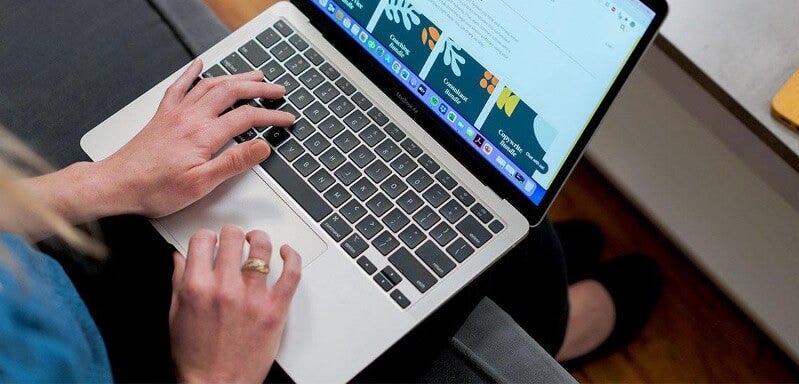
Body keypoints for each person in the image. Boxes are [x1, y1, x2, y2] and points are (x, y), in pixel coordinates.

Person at [0, 60, 661, 382]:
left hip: (47, 276)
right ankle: (561, 332)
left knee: (492, 217)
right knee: (519, 239)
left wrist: (106, 180)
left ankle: (537, 309)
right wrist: (213, 373)